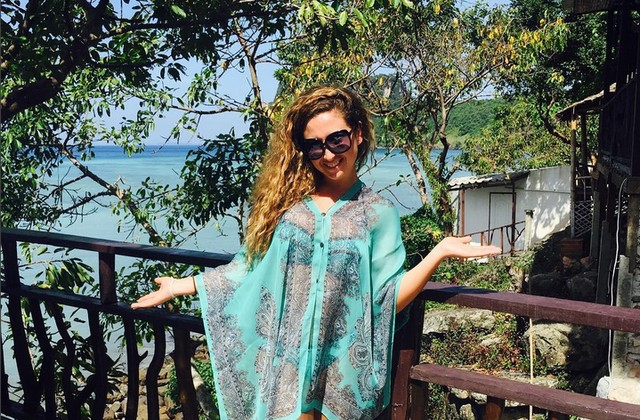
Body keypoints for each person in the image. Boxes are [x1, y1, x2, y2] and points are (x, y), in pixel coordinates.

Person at [132, 85, 501, 420]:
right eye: (315, 146)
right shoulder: (289, 207)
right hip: (286, 368)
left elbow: (386, 297)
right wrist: (181, 286)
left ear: (357, 134)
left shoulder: (378, 213)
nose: (328, 154)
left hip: (341, 370)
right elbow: (248, 268)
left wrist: (438, 253)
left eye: (337, 140)